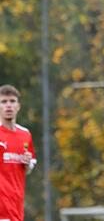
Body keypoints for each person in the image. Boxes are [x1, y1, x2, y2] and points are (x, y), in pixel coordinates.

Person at [0, 85, 37, 221]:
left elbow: (29, 166)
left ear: (18, 106)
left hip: (16, 208)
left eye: (12, 101)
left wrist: (27, 164)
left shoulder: (25, 134)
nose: (8, 106)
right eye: (4, 102)